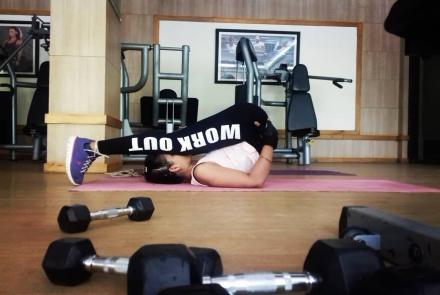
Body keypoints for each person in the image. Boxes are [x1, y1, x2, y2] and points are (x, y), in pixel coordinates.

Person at [65, 104, 278, 188]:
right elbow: (255, 180)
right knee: (174, 141)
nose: (178, 152)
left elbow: (157, 164)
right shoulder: (201, 170)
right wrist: (269, 144)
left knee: (174, 140)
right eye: (173, 154)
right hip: (255, 135)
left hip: (249, 126)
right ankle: (90, 148)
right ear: (174, 168)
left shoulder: (200, 165)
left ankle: (91, 148)